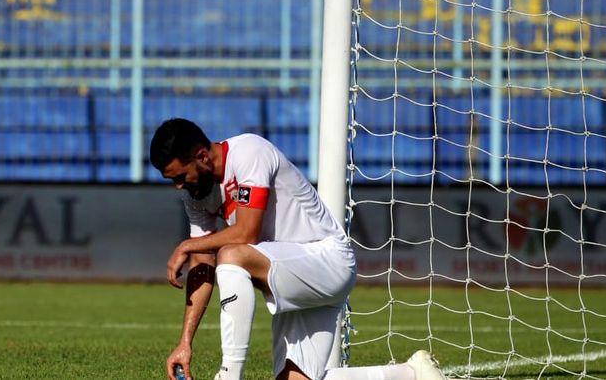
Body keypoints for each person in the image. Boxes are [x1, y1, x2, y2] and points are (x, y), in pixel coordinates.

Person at [151, 118, 447, 380]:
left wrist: (186, 245)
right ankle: (411, 373)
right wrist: (185, 342)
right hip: (290, 270)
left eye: (180, 176)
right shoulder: (197, 194)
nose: (178, 186)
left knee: (232, 255)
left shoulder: (248, 152)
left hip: (327, 259)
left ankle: (229, 374)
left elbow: (247, 233)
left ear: (202, 156)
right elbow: (202, 262)